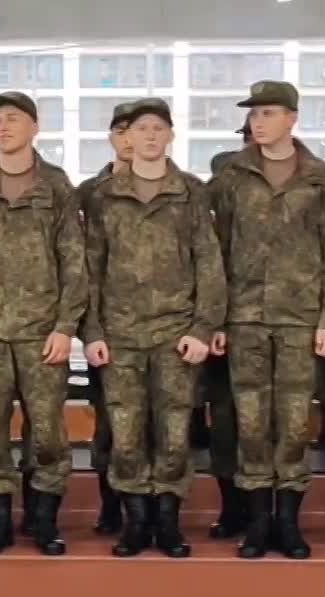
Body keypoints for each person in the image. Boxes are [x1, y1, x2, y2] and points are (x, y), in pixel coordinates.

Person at [84, 97, 226, 558]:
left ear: (170, 136)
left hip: (175, 332)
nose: (149, 136)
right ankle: (134, 522)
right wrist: (93, 331)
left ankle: (167, 522)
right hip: (120, 334)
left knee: (174, 432)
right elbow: (91, 266)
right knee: (125, 433)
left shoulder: (190, 192)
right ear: (127, 137)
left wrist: (202, 327)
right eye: (141, 129)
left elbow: (208, 261)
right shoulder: (104, 194)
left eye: (157, 128)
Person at [209, 81, 325, 560]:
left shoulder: (317, 176)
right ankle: (257, 522)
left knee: (292, 424)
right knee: (250, 424)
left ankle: (288, 522)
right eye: (254, 114)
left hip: (299, 319)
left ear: (292, 117)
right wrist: (216, 319)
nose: (258, 122)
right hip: (244, 317)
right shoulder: (232, 175)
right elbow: (214, 251)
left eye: (268, 113)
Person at [0, 91, 86, 556]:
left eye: (12, 118)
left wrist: (65, 327)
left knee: (47, 430)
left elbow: (73, 260)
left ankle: (43, 517)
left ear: (34, 126)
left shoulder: (56, 185)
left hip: (41, 331)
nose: (3, 127)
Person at [77, 101, 135, 537]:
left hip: (158, 329)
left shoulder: (181, 190)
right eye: (120, 130)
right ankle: (110, 503)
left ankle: (148, 510)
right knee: (109, 424)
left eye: (137, 129)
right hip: (107, 329)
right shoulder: (88, 193)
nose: (129, 139)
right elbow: (80, 265)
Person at [204, 117, 249, 541]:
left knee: (264, 425)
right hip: (220, 333)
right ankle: (232, 507)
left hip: (264, 326)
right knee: (225, 424)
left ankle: (262, 511)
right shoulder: (208, 202)